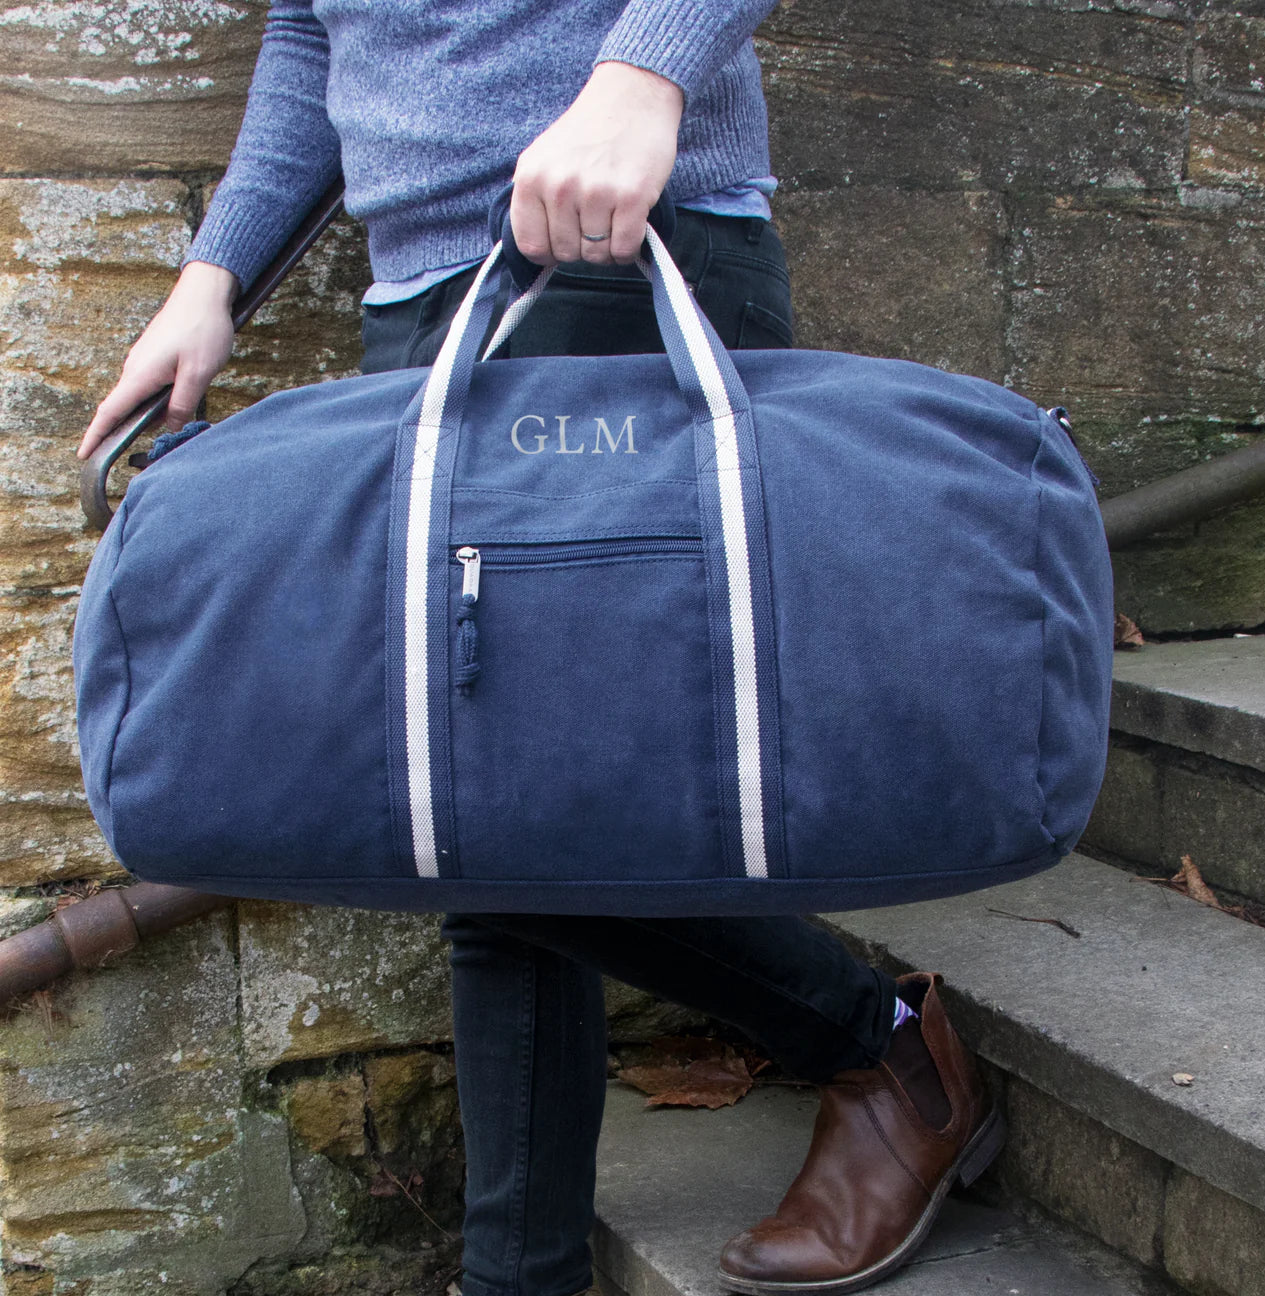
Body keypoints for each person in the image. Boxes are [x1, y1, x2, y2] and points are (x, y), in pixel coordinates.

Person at [77, 5, 1003, 1292]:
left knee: (512, 812)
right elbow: (310, 30)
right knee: (480, 807)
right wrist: (213, 274)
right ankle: (545, 1261)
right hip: (421, 300)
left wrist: (644, 76)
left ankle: (876, 1046)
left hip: (621, 232)